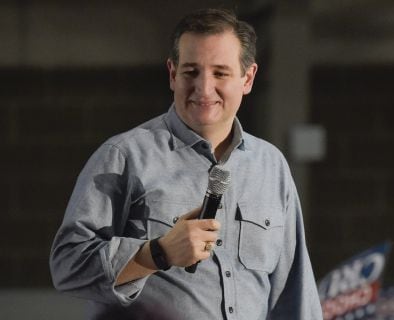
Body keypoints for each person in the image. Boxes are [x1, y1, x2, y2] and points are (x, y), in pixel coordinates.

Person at [49, 8, 323, 320]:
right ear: (172, 74)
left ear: (247, 79)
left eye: (220, 73)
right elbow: (67, 265)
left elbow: (294, 294)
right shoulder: (124, 156)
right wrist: (157, 253)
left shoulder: (271, 165)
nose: (204, 89)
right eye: (191, 72)